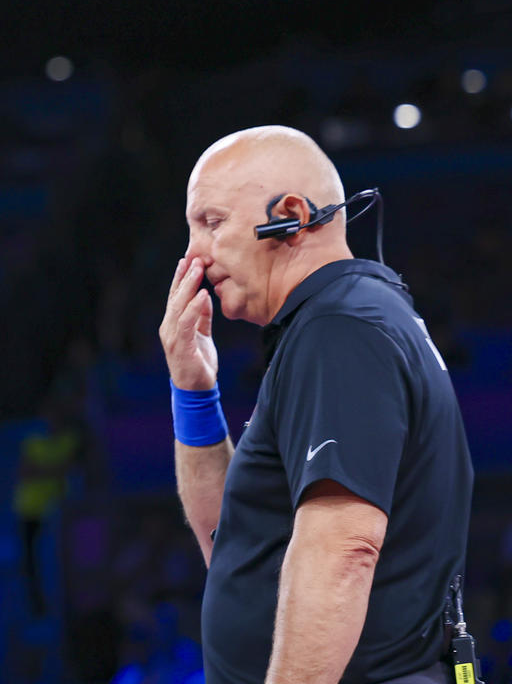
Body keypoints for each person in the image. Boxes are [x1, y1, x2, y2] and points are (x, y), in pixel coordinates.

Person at [160, 126, 473, 684]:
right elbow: (231, 543)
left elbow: (344, 551)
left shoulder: (340, 330)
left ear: (291, 215)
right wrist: (194, 391)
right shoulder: (339, 323)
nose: (194, 255)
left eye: (212, 222)